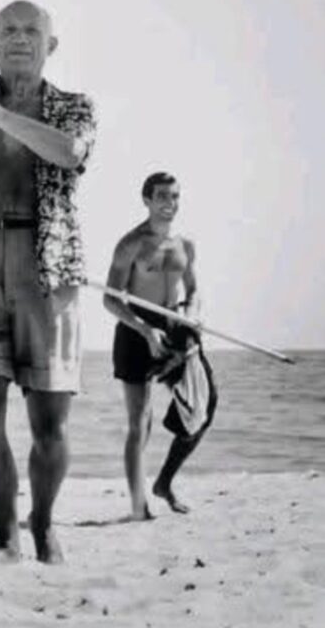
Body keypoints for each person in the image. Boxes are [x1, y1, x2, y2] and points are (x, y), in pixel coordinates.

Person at [0, 0, 97, 565]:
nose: (20, 38)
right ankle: (4, 539)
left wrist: (3, 118)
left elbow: (71, 154)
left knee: (50, 418)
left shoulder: (74, 105)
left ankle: (44, 523)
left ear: (51, 44)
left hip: (47, 267)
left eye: (32, 30)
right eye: (8, 30)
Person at [104, 172, 217, 521]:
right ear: (147, 200)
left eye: (175, 196)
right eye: (163, 196)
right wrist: (145, 330)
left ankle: (164, 482)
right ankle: (138, 506)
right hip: (136, 329)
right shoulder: (131, 244)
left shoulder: (185, 245)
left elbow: (193, 290)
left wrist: (192, 315)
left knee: (204, 408)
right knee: (140, 422)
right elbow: (110, 299)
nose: (170, 203)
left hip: (176, 326)